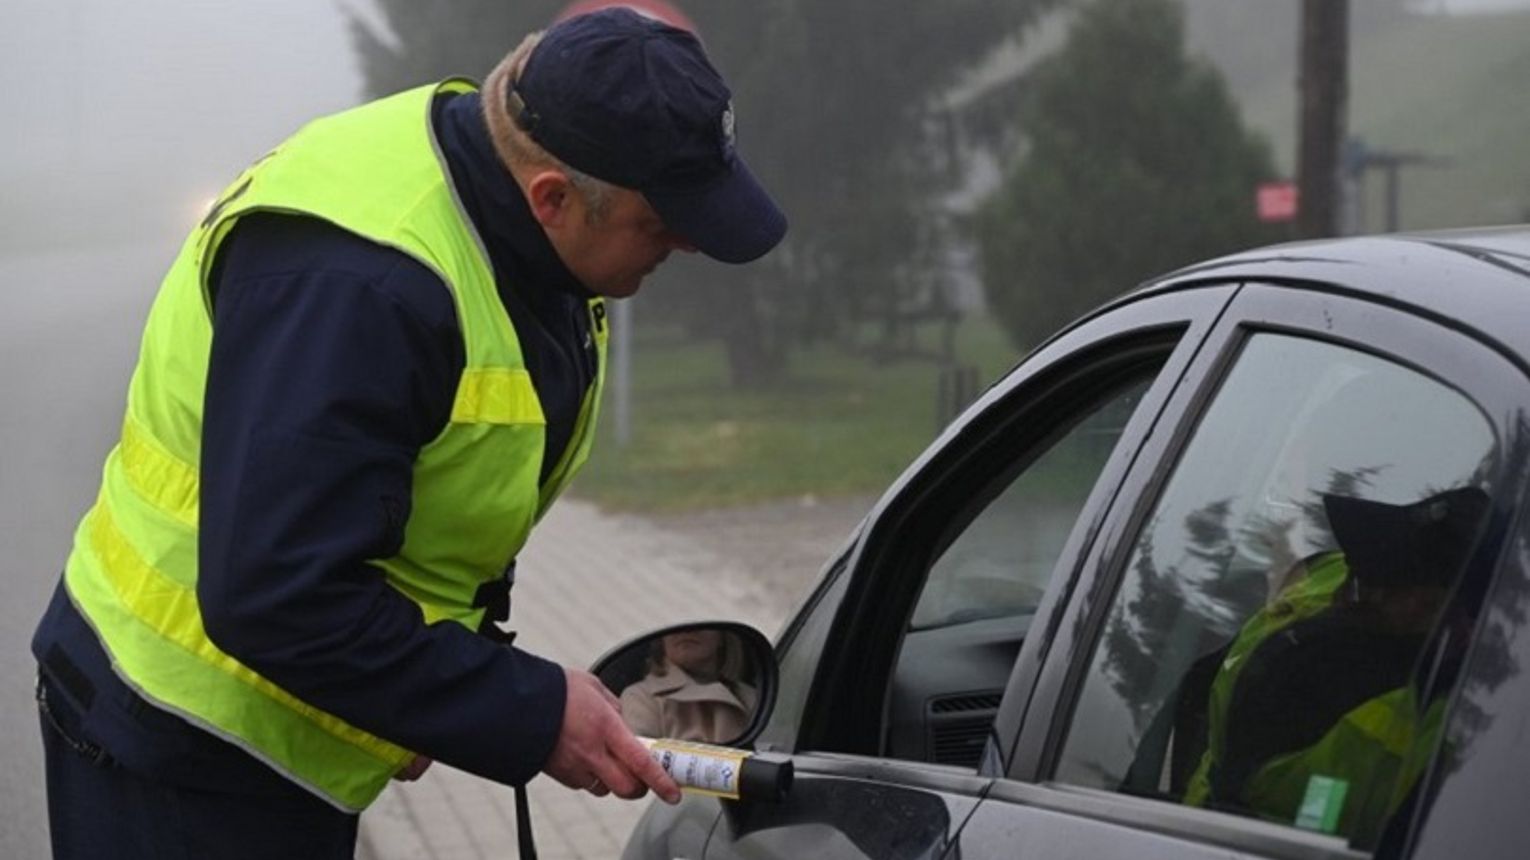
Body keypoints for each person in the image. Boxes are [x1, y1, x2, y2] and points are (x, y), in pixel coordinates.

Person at [29, 8, 787, 858]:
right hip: (178, 739)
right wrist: (527, 712)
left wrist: (423, 693)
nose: (686, 243)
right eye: (661, 222)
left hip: (275, 728)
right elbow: (277, 594)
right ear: (554, 199)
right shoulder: (360, 289)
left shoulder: (509, 201)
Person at [1183, 486, 1488, 845]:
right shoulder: (1321, 589)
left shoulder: (1425, 740)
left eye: (1364, 586)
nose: (1340, 593)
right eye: (1351, 568)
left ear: (1430, 609)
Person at [620, 629, 760, 744]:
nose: (686, 631)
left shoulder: (753, 697)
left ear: (722, 638)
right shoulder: (641, 697)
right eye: (674, 623)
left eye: (703, 622)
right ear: (662, 641)